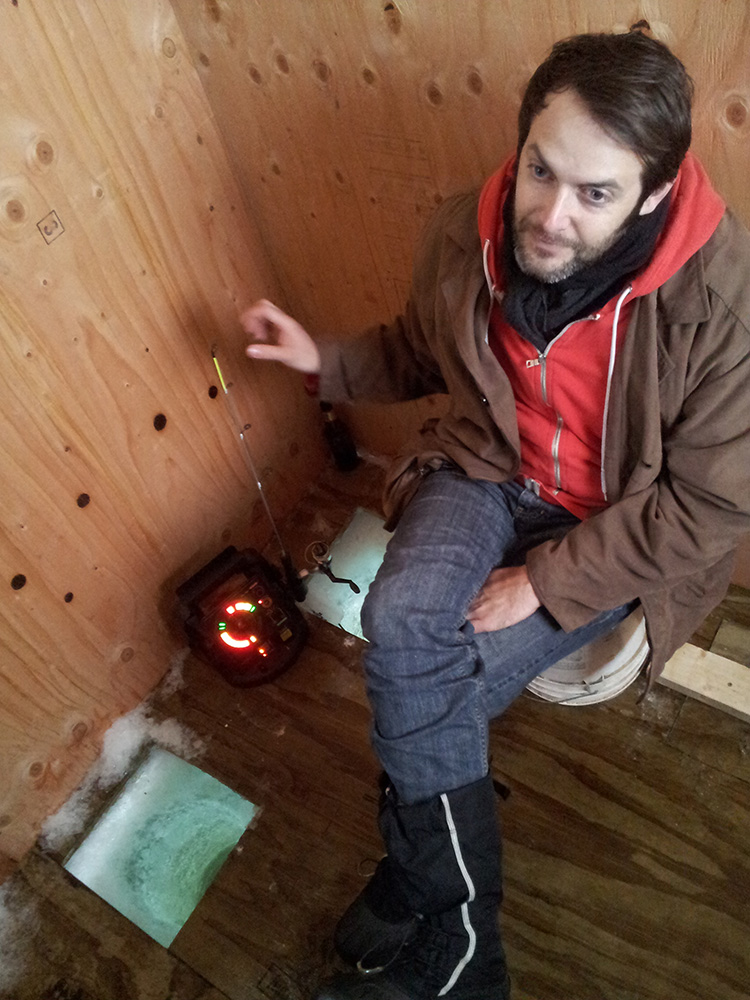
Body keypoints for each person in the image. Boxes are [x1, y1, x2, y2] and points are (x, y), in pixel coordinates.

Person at [241, 28, 750, 1000]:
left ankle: (427, 882)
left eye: (594, 193)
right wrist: (326, 362)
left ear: (654, 193)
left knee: (440, 680)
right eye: (540, 170)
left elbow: (710, 507)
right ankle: (467, 935)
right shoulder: (467, 232)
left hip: (615, 528)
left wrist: (542, 582)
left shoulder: (723, 309)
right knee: (398, 626)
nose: (552, 214)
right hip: (484, 466)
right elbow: (417, 350)